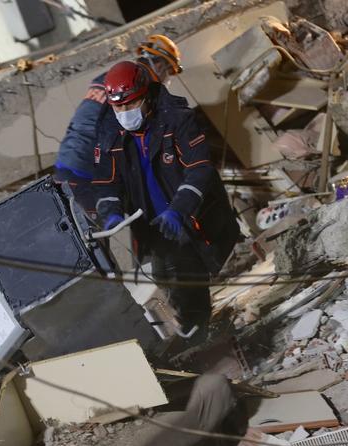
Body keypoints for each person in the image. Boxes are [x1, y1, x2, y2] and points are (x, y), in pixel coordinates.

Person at [92, 61, 239, 339]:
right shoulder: (109, 132)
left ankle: (198, 338)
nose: (124, 113)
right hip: (149, 224)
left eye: (130, 105)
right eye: (118, 107)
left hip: (187, 218)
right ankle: (187, 335)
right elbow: (107, 182)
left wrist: (178, 210)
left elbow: (199, 169)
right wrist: (111, 211)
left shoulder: (177, 119)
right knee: (162, 280)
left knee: (187, 280)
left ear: (146, 96)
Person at [53, 34, 183, 220]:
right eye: (169, 72)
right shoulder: (141, 86)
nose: (166, 78)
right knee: (89, 238)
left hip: (66, 162)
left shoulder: (108, 77)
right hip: (88, 171)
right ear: (160, 65)